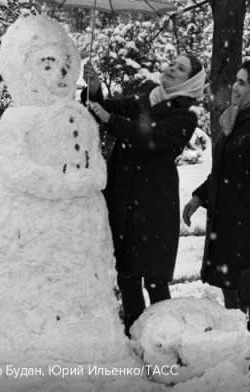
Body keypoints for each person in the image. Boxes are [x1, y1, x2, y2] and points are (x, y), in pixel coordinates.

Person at [82, 54, 205, 337]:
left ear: (191, 81)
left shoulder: (184, 116)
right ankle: (134, 336)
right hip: (123, 196)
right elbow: (100, 106)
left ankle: (164, 339)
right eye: (172, 64)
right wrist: (94, 87)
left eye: (181, 68)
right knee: (126, 275)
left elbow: (152, 137)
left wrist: (111, 120)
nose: (172, 69)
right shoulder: (145, 99)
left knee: (154, 278)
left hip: (153, 203)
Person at [182, 59, 250, 372]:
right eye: (237, 81)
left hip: (249, 225)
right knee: (232, 283)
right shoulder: (237, 121)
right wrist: (200, 196)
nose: (236, 88)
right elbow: (223, 171)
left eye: (244, 83)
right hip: (230, 221)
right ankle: (238, 344)